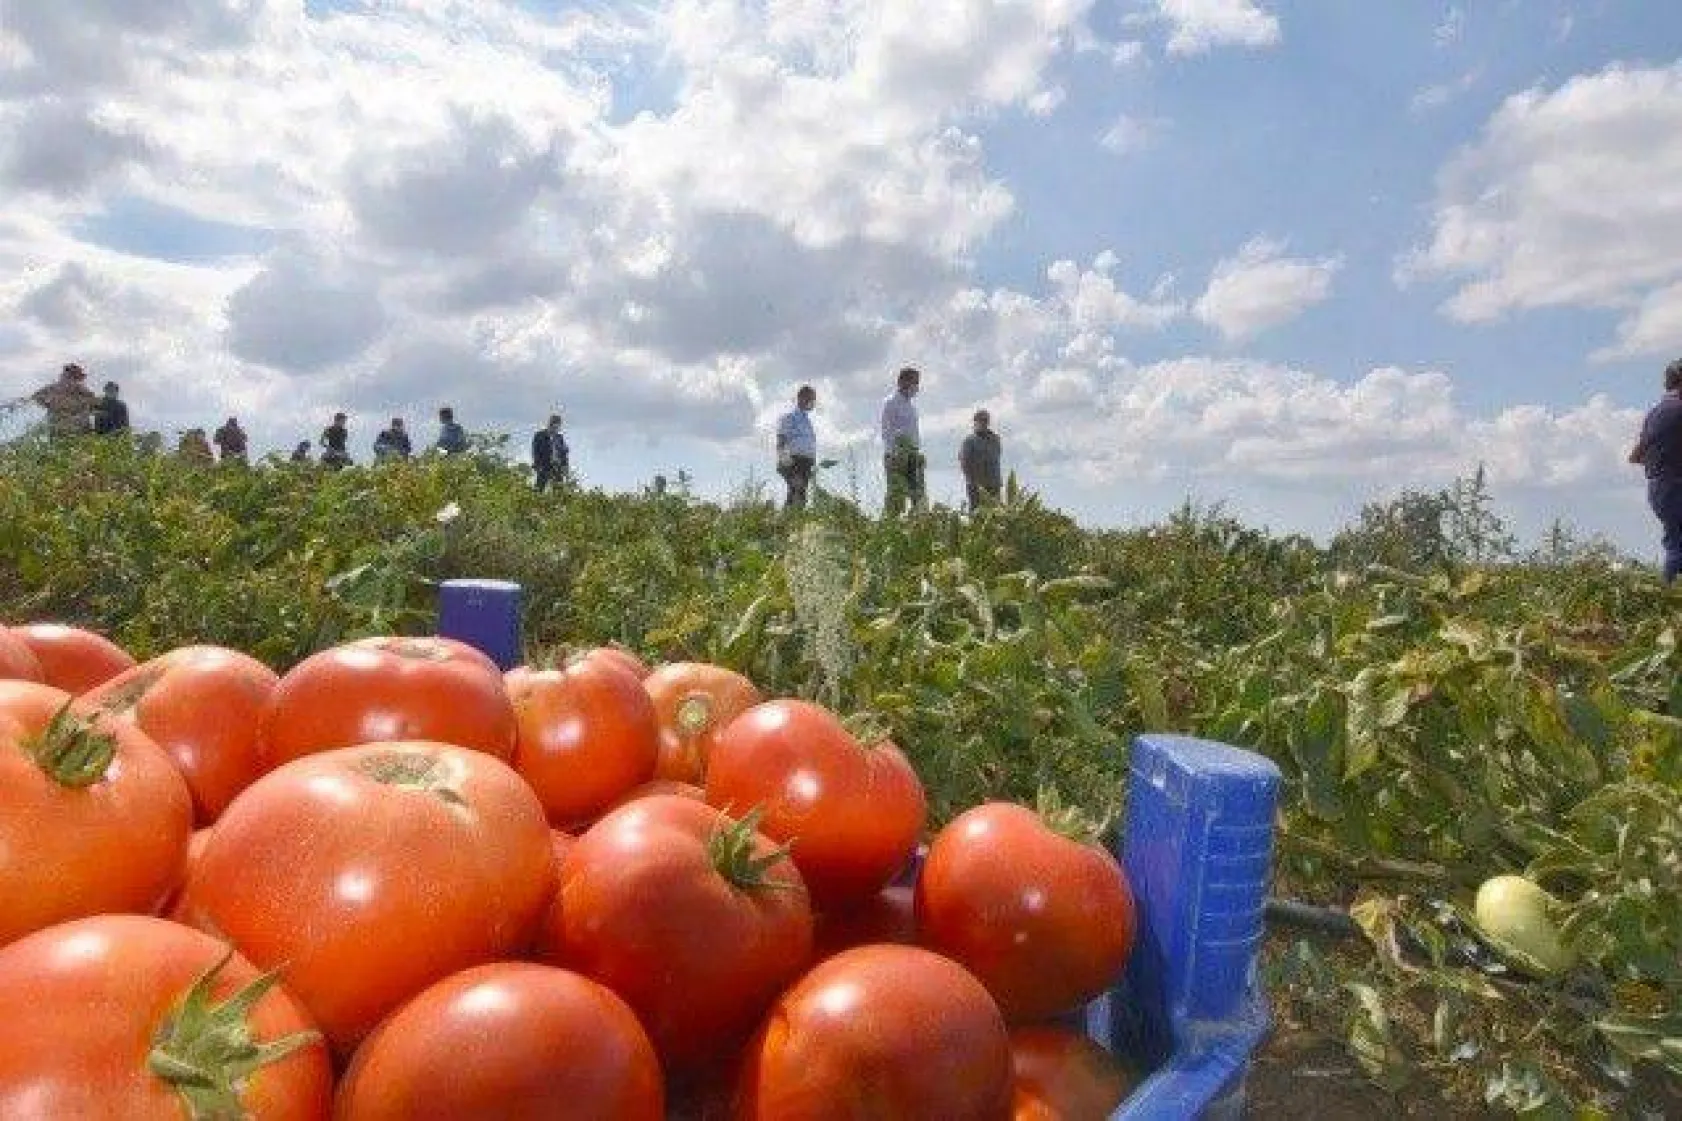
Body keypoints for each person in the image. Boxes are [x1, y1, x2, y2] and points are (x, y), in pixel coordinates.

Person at [1629, 358, 1682, 582]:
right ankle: (1668, 591)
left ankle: (1668, 594)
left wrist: (1663, 462)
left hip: (1659, 489)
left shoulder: (1655, 413)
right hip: (1676, 486)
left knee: (1676, 543)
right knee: (1677, 546)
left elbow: (1635, 456)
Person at [879, 366, 925, 517]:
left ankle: (918, 525)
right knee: (896, 498)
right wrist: (896, 453)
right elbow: (886, 432)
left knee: (918, 496)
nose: (916, 387)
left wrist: (916, 452)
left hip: (913, 456)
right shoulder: (891, 403)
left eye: (917, 383)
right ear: (902, 382)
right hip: (896, 457)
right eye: (914, 382)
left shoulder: (911, 407)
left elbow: (913, 433)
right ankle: (890, 525)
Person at [775, 386, 818, 510]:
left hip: (806, 463)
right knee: (797, 490)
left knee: (800, 494)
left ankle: (793, 519)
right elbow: (781, 439)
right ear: (801, 398)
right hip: (793, 462)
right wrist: (785, 461)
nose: (813, 402)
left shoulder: (807, 421)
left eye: (813, 399)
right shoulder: (790, 417)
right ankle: (787, 519)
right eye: (810, 399)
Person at [31, 363, 97, 438]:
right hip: (59, 432)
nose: (74, 381)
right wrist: (48, 403)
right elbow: (34, 399)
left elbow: (95, 406)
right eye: (70, 377)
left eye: (77, 379)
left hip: (82, 433)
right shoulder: (51, 389)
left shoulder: (85, 393)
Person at [959, 409, 1003, 512]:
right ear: (975, 422)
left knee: (995, 513)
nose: (983, 423)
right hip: (976, 486)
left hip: (994, 484)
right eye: (981, 420)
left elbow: (997, 456)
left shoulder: (995, 439)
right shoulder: (969, 441)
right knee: (976, 513)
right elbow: (964, 462)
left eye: (985, 420)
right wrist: (972, 481)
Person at [531, 414, 569, 492]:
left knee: (558, 489)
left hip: (557, 467)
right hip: (544, 466)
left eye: (558, 426)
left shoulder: (559, 437)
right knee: (539, 488)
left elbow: (564, 453)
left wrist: (565, 466)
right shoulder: (539, 435)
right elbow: (535, 451)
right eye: (554, 425)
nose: (556, 428)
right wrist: (537, 465)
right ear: (550, 424)